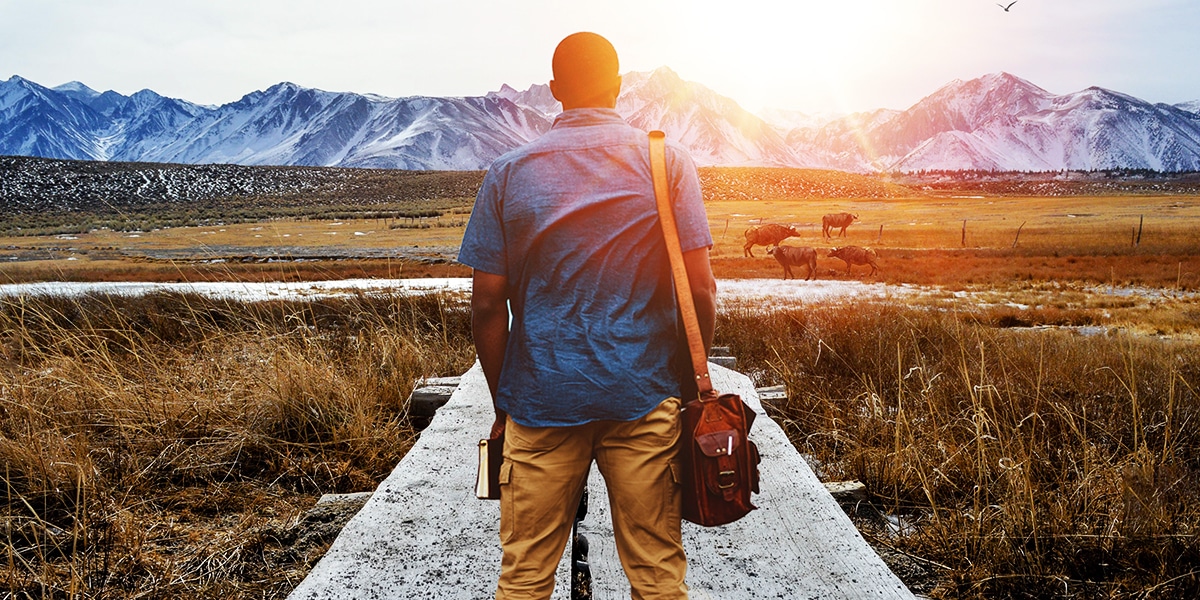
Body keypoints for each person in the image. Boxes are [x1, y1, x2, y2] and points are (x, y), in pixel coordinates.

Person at [458, 31, 716, 600]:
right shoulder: (667, 162)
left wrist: (505, 401)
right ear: (619, 87)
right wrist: (678, 382)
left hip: (540, 400)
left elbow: (484, 305)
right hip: (644, 396)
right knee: (657, 573)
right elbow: (700, 291)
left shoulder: (507, 172)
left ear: (554, 91)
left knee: (524, 575)